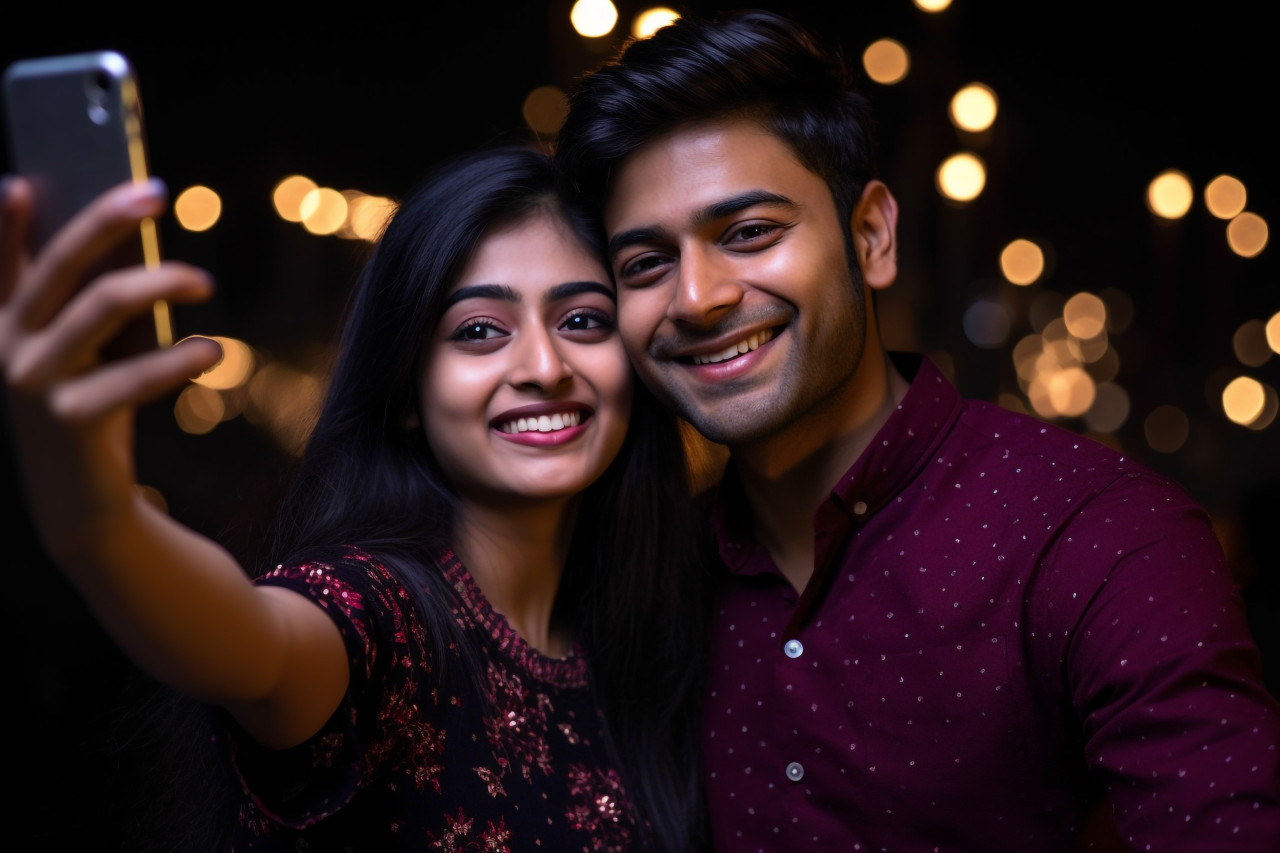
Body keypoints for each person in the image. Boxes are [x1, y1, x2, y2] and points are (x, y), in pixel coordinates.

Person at [553, 8, 1280, 851]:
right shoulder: (648, 571)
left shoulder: (1099, 535)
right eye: (646, 263)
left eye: (749, 233)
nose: (697, 296)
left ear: (872, 236)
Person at [0, 144, 709, 851]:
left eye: (583, 320)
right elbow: (252, 640)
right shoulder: (378, 615)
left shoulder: (654, 631)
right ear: (407, 391)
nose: (545, 368)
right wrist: (97, 516)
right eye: (479, 332)